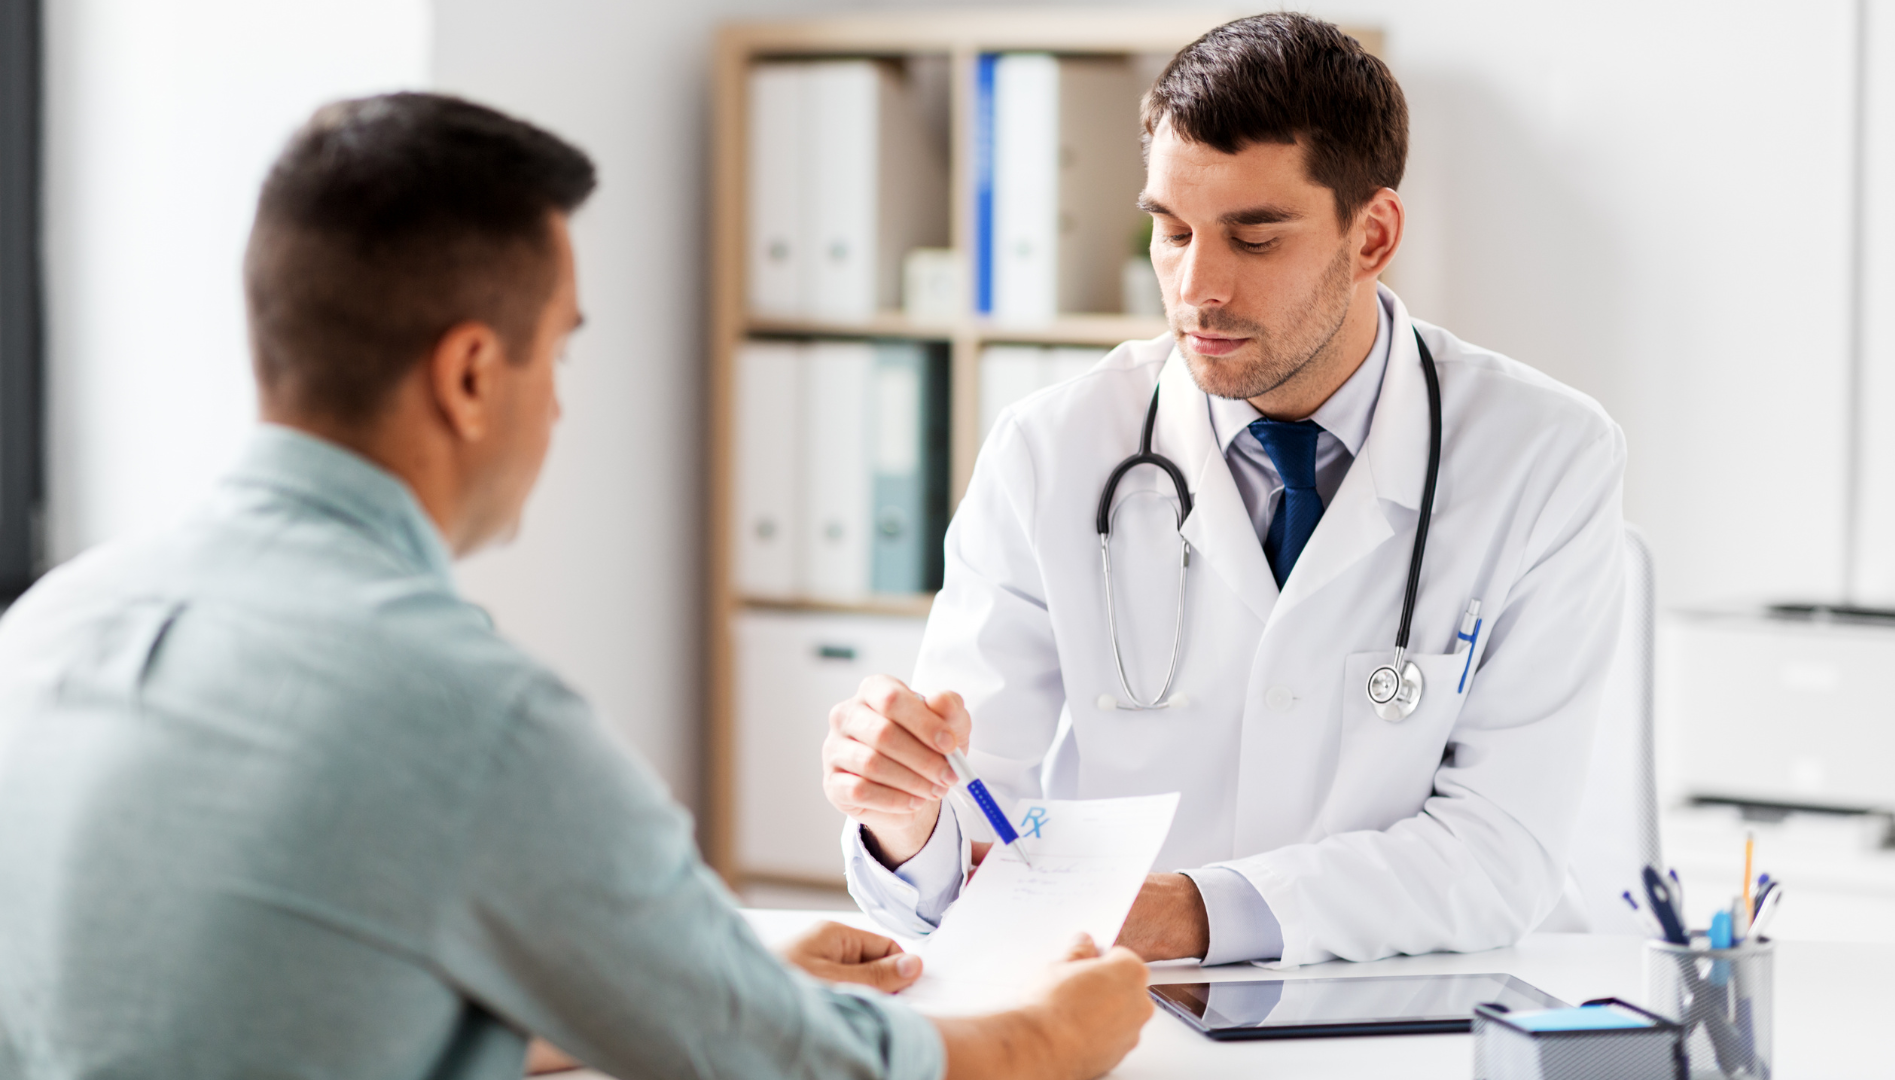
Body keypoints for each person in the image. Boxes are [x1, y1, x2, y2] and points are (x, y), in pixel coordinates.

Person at [0, 93, 1151, 1080]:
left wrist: (724, 976)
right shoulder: (466, 717)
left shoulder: (46, 632)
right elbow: (793, 1064)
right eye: (556, 351)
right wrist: (1048, 1036)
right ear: (469, 375)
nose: (556, 404)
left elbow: (287, 1011)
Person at [822, 12, 1628, 968]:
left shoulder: (1545, 455)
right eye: (1170, 231)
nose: (1196, 286)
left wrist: (1191, 912)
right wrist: (906, 820)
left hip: (1413, 1003)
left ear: (1372, 235)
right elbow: (969, 820)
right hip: (1130, 1004)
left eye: (1254, 238)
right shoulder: (1051, 450)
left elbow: (1500, 852)